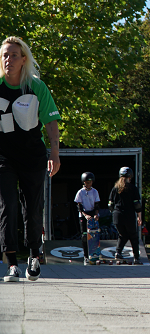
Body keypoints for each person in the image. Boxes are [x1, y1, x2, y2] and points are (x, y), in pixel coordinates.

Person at [1, 36, 61, 282]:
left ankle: (34, 256)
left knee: (33, 208)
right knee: (7, 206)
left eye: (14, 55)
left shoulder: (36, 87)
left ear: (23, 59)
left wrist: (55, 154)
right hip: (3, 157)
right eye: (5, 55)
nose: (8, 59)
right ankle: (12, 264)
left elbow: (50, 122)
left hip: (33, 155)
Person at [108, 167, 143, 265]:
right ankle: (137, 258)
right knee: (133, 236)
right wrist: (139, 216)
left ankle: (118, 253)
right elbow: (137, 204)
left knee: (122, 235)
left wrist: (114, 213)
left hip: (117, 216)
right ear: (130, 177)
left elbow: (110, 204)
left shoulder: (115, 188)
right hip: (128, 216)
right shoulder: (132, 188)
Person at [74, 172, 101, 264]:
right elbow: (79, 207)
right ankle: (86, 256)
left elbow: (97, 205)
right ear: (84, 182)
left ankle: (95, 254)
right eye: (87, 182)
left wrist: (96, 214)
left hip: (92, 213)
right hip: (83, 214)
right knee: (85, 235)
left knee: (95, 234)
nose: (88, 184)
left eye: (90, 182)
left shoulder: (95, 191)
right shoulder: (80, 192)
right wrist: (85, 216)